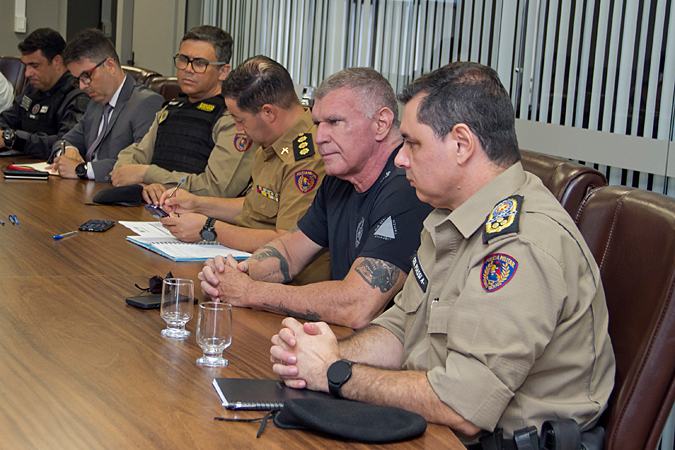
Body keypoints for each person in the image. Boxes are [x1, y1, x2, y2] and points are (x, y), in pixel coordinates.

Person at [268, 62, 616, 445]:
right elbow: (403, 327)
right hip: (431, 426)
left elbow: (464, 407)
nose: (400, 159)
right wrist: (329, 353)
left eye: (413, 143)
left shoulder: (519, 244)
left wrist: (336, 373)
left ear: (462, 144)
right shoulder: (450, 217)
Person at [198, 67, 434, 329]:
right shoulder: (340, 178)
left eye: (334, 122)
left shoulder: (407, 187)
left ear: (381, 124)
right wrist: (235, 273)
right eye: (317, 124)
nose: (320, 137)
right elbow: (289, 251)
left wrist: (249, 292)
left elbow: (357, 306)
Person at [159, 55, 330, 283]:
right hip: (250, 266)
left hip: (288, 286)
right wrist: (198, 204)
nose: (238, 129)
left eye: (240, 119)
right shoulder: (271, 142)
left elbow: (288, 242)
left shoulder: (308, 159)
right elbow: (257, 206)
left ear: (268, 113)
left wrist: (208, 227)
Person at [111, 26, 256, 204]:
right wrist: (144, 185)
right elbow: (128, 163)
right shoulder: (171, 108)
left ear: (223, 71)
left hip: (201, 221)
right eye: (183, 59)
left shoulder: (232, 118)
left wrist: (148, 174)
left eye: (200, 63)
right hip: (153, 212)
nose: (188, 69)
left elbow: (217, 189)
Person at [48, 28, 164, 181]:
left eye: (86, 76)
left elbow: (140, 165)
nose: (82, 86)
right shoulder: (96, 103)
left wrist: (83, 170)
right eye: (78, 80)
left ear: (110, 65)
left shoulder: (146, 103)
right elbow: (64, 140)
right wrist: (69, 150)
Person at [0, 28, 89, 158]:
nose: (27, 73)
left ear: (57, 62)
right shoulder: (33, 89)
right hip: (22, 166)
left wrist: (14, 139)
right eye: (25, 66)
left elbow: (66, 144)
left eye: (34, 66)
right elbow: (8, 119)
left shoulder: (78, 95)